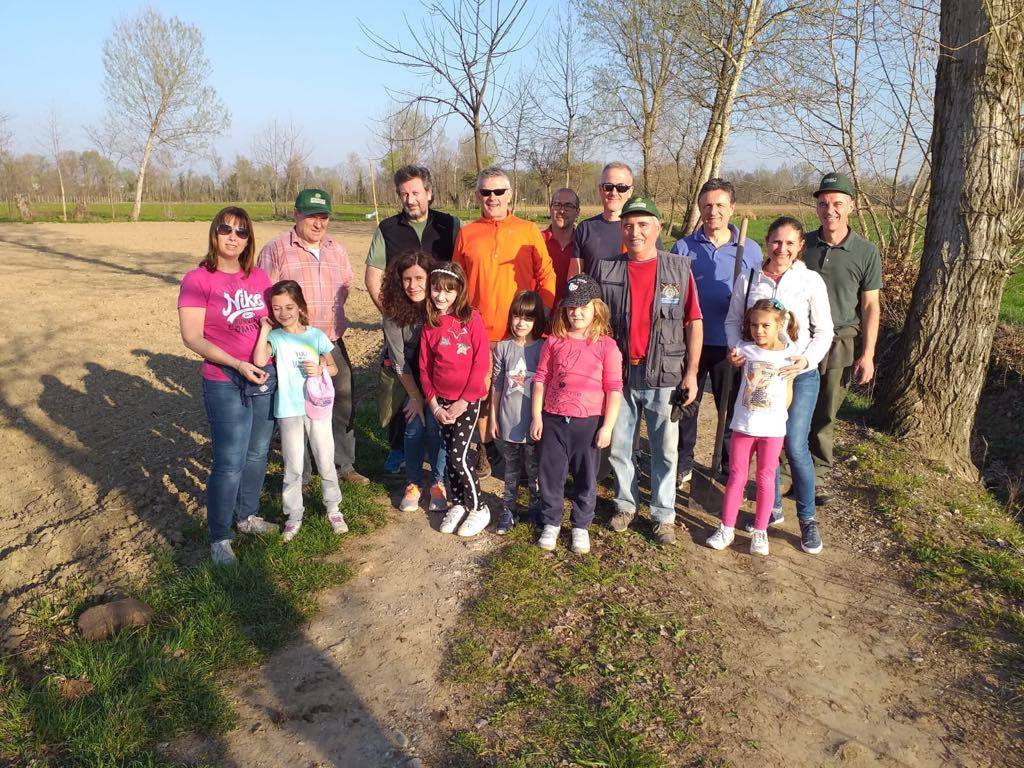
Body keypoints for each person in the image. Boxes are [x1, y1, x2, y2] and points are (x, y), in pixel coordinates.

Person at [596, 196, 703, 546]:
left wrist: (692, 373)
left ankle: (663, 514)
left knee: (666, 449)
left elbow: (693, 322)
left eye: (643, 225)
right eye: (628, 225)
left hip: (665, 373)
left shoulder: (678, 269)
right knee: (619, 447)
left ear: (658, 228)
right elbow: (595, 323)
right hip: (620, 374)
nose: (635, 231)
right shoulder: (607, 268)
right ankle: (626, 504)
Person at [725, 216, 834, 554]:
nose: (781, 249)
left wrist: (807, 360)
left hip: (797, 375)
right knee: (756, 441)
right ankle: (770, 510)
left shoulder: (810, 280)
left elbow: (824, 330)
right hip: (758, 374)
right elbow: (733, 320)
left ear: (800, 246)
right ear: (767, 242)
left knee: (794, 443)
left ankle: (807, 519)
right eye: (776, 241)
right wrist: (737, 349)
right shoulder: (751, 277)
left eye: (789, 243)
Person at [177, 207, 279, 565]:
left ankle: (247, 516)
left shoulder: (260, 278)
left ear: (249, 239)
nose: (233, 237)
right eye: (226, 229)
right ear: (214, 233)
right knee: (230, 461)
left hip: (264, 376)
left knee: (257, 453)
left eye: (241, 232)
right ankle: (220, 537)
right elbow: (191, 337)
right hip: (225, 380)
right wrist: (238, 364)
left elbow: (274, 323)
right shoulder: (198, 279)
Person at [258, 188, 368, 486]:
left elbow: (344, 287)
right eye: (311, 217)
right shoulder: (277, 249)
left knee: (341, 401)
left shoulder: (337, 249)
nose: (318, 224)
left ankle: (342, 466)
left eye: (323, 217)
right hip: (292, 344)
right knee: (297, 407)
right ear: (296, 215)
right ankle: (302, 473)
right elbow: (264, 295)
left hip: (330, 341)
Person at [453, 166, 556, 478]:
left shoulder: (527, 230)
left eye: (499, 191)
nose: (492, 198)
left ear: (511, 194)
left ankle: (522, 452)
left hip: (520, 334)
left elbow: (546, 274)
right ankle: (484, 451)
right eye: (486, 192)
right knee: (482, 395)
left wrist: (541, 315)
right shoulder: (467, 233)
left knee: (520, 393)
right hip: (480, 334)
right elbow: (456, 281)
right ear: (477, 196)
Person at [365, 165, 461, 474]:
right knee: (399, 383)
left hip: (439, 319)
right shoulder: (388, 229)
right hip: (403, 322)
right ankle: (398, 448)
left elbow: (462, 270)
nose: (410, 199)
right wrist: (393, 314)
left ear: (429, 193)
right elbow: (372, 276)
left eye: (416, 192)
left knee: (441, 381)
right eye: (404, 194)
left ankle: (443, 452)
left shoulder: (450, 225)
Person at [671, 178, 762, 485]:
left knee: (730, 406)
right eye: (708, 205)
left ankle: (726, 466)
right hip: (691, 341)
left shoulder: (749, 249)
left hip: (730, 344)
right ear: (700, 208)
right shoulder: (683, 247)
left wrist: (743, 304)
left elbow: (759, 295)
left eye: (720, 205)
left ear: (731, 209)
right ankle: (683, 461)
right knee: (687, 403)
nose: (714, 211)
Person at [804, 172, 882, 506]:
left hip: (840, 343)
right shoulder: (802, 245)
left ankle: (818, 476)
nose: (830, 210)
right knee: (790, 410)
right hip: (801, 343)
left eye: (837, 203)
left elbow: (870, 306)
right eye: (823, 203)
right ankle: (784, 474)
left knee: (825, 413)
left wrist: (868, 354)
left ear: (851, 206)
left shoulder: (865, 251)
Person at [531, 275, 623, 554]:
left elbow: (614, 388)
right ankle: (551, 521)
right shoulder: (554, 341)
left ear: (597, 307)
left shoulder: (607, 345)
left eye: (584, 306)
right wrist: (537, 416)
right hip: (554, 419)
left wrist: (607, 426)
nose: (577, 312)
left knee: (586, 477)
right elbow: (540, 379)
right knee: (551, 474)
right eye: (571, 307)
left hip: (589, 423)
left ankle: (581, 525)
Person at [253, 281, 346, 542]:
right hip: (289, 410)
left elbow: (334, 368)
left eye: (289, 307)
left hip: (317, 407)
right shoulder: (276, 338)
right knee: (293, 465)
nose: (284, 313)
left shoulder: (315, 336)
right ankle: (293, 515)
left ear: (300, 306)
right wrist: (264, 329)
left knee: (325, 459)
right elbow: (259, 360)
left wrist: (321, 368)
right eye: (277, 308)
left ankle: (333, 508)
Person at [707, 299, 797, 557]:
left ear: (780, 324)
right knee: (737, 476)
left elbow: (789, 391)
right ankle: (726, 527)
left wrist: (779, 417)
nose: (759, 331)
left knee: (766, 478)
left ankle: (760, 531)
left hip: (772, 429)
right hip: (744, 425)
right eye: (754, 325)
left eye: (766, 325)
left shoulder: (789, 354)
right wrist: (731, 357)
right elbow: (733, 356)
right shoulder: (745, 350)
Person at [419, 262, 490, 537]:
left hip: (466, 402)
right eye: (436, 289)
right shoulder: (430, 323)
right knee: (449, 458)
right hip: (442, 404)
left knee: (460, 457)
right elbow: (424, 368)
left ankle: (479, 507)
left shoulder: (471, 318)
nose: (441, 296)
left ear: (459, 291)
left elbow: (480, 363)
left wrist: (463, 402)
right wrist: (434, 405)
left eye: (448, 291)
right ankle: (459, 503)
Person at [380, 250, 448, 514]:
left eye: (420, 278)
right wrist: (416, 396)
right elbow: (398, 360)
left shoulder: (440, 306)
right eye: (407, 279)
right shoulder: (393, 312)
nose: (413, 286)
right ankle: (412, 483)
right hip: (408, 377)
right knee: (413, 426)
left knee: (436, 428)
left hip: (439, 378)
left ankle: (438, 482)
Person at [489, 291, 547, 535]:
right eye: (516, 316)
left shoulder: (544, 347)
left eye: (528, 318)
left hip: (533, 425)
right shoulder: (503, 348)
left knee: (534, 470)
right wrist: (493, 417)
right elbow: (497, 385)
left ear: (537, 321)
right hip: (508, 421)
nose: (521, 323)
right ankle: (508, 509)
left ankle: (536, 509)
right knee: (510, 470)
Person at [573, 162, 634, 276]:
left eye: (621, 187)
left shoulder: (642, 229)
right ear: (600, 189)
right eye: (608, 187)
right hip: (593, 294)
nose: (613, 193)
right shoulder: (586, 228)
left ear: (630, 191)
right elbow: (574, 278)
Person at [543, 187, 580, 303]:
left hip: (573, 316)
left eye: (568, 206)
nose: (562, 210)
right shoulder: (536, 241)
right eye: (557, 204)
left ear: (577, 212)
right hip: (539, 315)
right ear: (550, 209)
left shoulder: (584, 245)